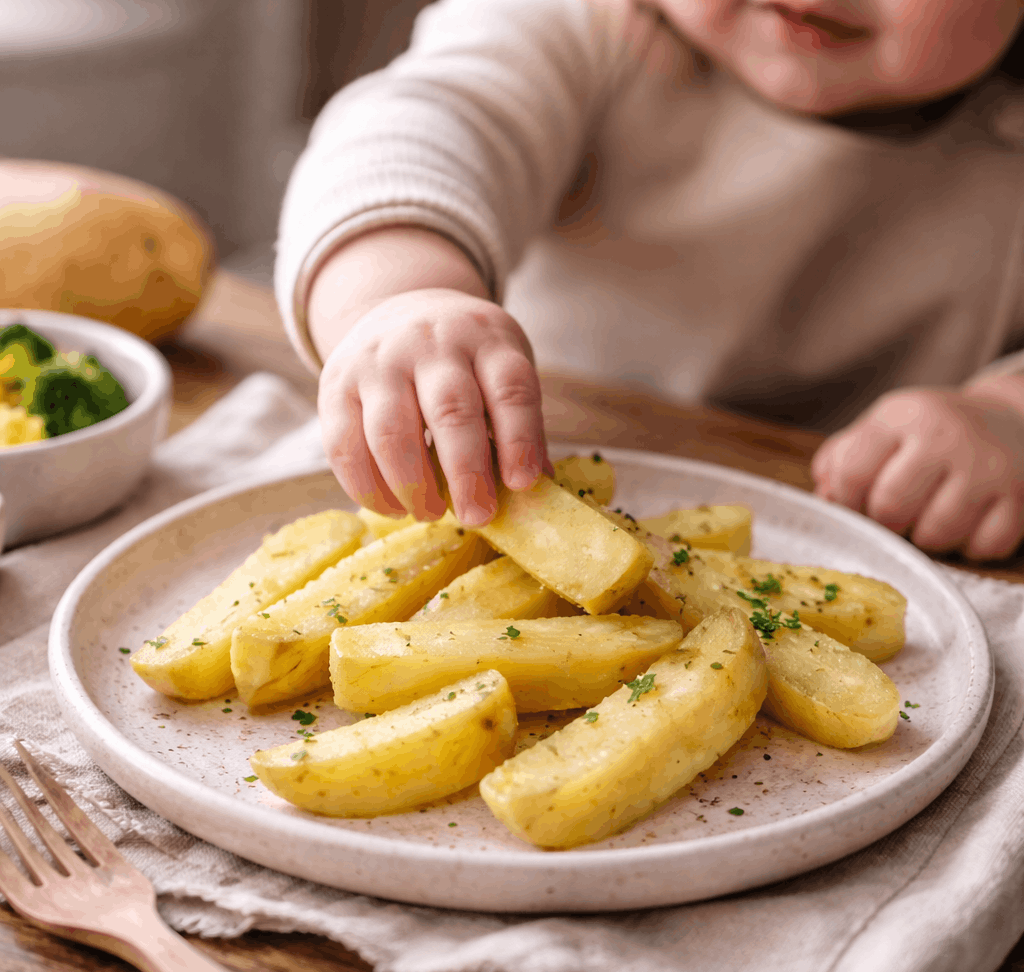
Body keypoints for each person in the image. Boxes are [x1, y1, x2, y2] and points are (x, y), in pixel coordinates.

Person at [275, 0, 1024, 560]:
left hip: (873, 552)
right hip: (521, 484)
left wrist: (1008, 420)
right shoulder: (577, 22)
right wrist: (398, 298)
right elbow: (415, 127)